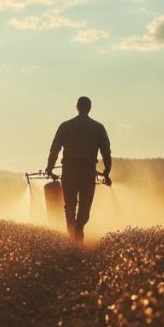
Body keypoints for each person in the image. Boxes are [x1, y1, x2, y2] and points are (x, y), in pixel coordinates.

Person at [46, 96, 111, 242]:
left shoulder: (65, 126)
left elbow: (54, 149)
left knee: (69, 204)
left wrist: (50, 167)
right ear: (89, 108)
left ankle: (72, 232)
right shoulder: (98, 128)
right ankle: (78, 229)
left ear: (77, 107)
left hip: (69, 170)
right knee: (85, 206)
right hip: (87, 172)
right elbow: (106, 152)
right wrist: (107, 171)